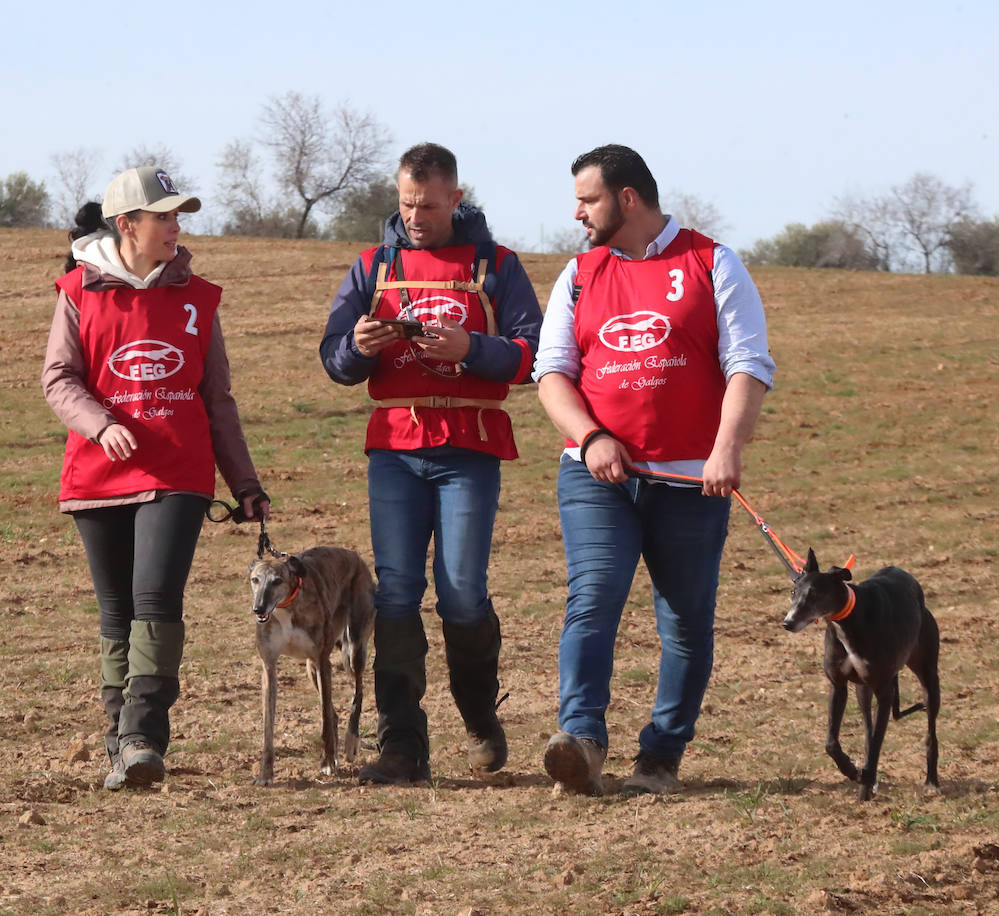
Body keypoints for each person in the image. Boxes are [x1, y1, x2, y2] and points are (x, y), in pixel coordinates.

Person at [533, 144, 776, 796]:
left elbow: (749, 365)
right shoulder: (579, 274)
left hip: (692, 481)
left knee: (686, 622)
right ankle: (580, 742)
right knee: (593, 598)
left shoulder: (711, 262)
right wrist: (589, 439)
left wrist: (727, 448)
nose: (577, 212)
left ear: (627, 198)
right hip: (596, 475)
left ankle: (661, 757)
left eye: (588, 199)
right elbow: (551, 374)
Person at [320, 143, 542, 784]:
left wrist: (473, 347)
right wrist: (358, 348)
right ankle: (402, 745)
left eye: (428, 204)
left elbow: (531, 352)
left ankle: (479, 719)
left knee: (462, 594)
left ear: (456, 199)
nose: (415, 216)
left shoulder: (496, 266)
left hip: (469, 447)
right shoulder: (374, 266)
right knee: (395, 594)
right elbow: (334, 358)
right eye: (406, 203)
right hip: (395, 449)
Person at [43, 166, 269, 790]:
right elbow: (59, 380)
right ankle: (119, 742)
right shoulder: (77, 293)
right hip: (98, 473)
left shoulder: (199, 297)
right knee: (116, 612)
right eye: (163, 217)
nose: (176, 227)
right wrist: (98, 423)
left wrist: (244, 483)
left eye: (178, 217)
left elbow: (217, 398)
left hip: (177, 470)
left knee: (155, 600)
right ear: (127, 226)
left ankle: (144, 733)